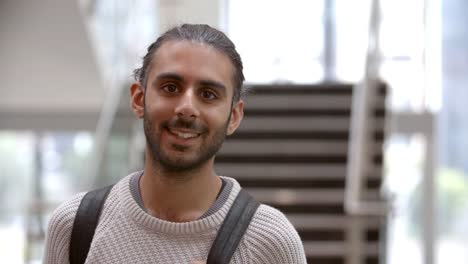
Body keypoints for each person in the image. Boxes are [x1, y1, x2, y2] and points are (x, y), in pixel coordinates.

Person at [43, 23, 307, 263]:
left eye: (208, 94)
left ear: (234, 116)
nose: (186, 108)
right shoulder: (75, 225)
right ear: (138, 99)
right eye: (171, 87)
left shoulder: (270, 242)